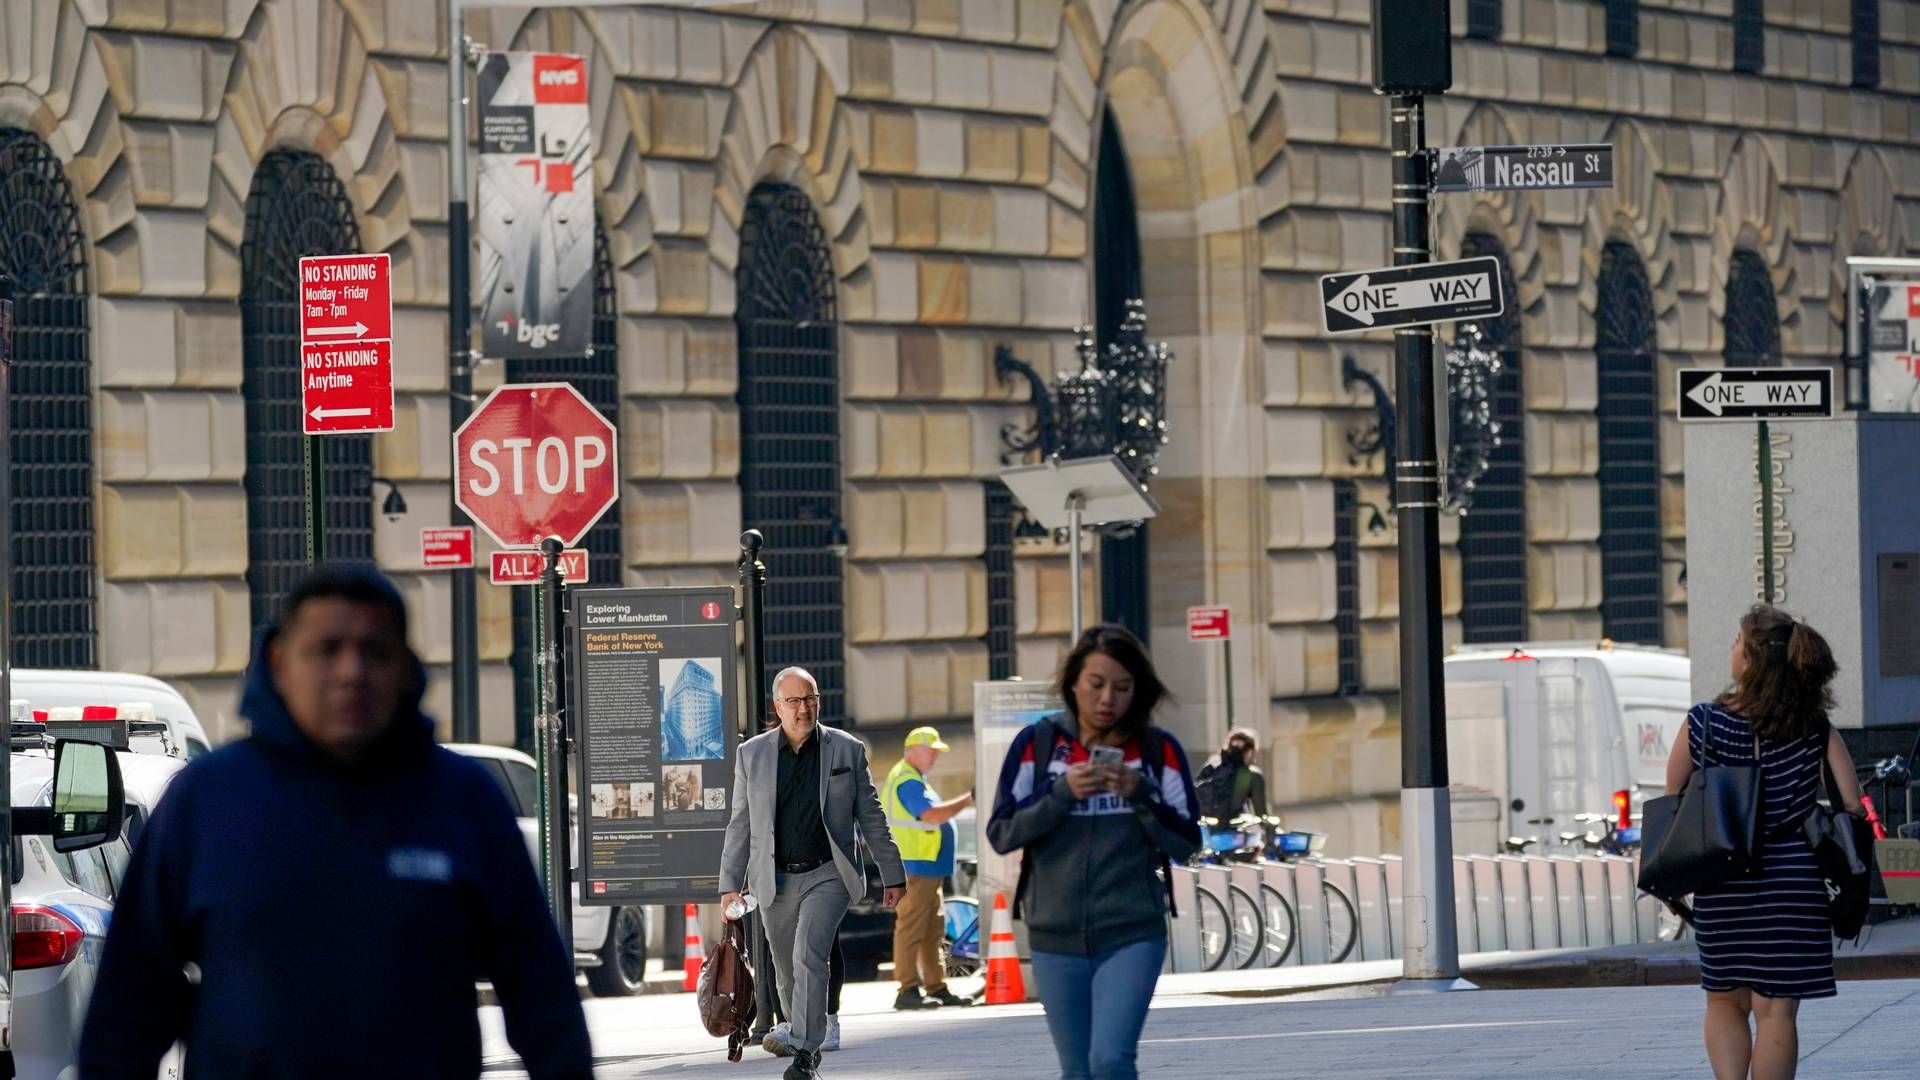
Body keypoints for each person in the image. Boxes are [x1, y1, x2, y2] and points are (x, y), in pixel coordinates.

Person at [77, 567, 592, 1079]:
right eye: (327, 649)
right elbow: (128, 1007)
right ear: (279, 663)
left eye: (375, 651)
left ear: (406, 669)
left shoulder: (464, 802)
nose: (352, 671)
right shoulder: (206, 803)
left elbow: (542, 999)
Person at [987, 625, 1200, 1080]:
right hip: (1054, 935)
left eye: (1122, 688)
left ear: (1138, 691)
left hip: (1132, 931)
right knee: (1077, 1070)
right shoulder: (1036, 746)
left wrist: (1139, 792)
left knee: (1111, 1060)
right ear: (1074, 684)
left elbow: (1186, 842)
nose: (1108, 699)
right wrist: (1061, 794)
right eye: (1097, 684)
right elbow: (1002, 833)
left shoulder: (1158, 751)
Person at [1664, 606, 1862, 1080]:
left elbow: (1671, 798)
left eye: (1737, 642)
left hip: (1721, 876)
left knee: (1725, 1000)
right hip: (1792, 881)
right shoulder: (1815, 728)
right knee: (1777, 1012)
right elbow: (1852, 805)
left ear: (1752, 659)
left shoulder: (1704, 724)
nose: (1731, 649)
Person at [720, 667, 904, 1079]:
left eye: (810, 699)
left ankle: (805, 1053)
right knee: (785, 968)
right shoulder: (752, 755)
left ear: (818, 701)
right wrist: (729, 886)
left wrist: (893, 873)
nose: (804, 709)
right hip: (775, 879)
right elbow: (740, 823)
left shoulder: (846, 750)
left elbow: (871, 815)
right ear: (777, 706)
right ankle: (797, 1029)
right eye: (794, 701)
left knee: (809, 954)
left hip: (829, 873)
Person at [883, 725, 975, 1011]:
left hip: (926, 867)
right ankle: (908, 989)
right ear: (913, 751)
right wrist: (970, 798)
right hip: (915, 868)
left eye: (937, 751)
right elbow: (932, 816)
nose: (935, 756)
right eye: (931, 750)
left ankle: (936, 986)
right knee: (912, 929)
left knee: (931, 930)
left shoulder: (914, 779)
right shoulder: (907, 781)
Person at [1194, 728, 1268, 823]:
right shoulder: (1253, 775)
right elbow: (1261, 815)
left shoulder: (1211, 765)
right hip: (1233, 833)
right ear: (1250, 752)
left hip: (1205, 830)